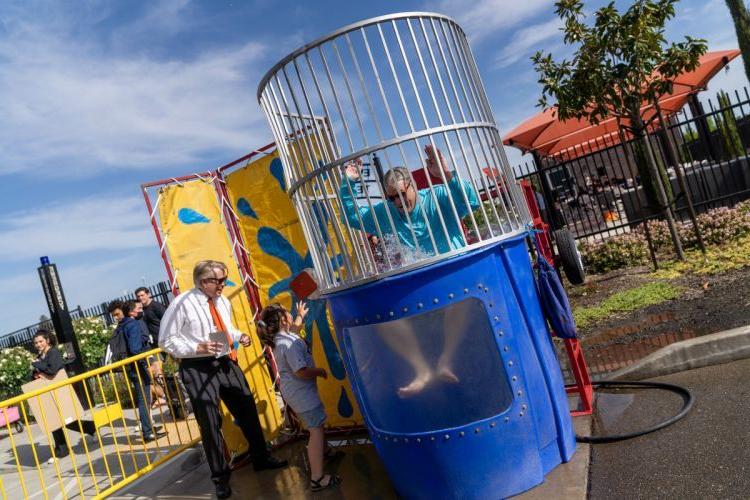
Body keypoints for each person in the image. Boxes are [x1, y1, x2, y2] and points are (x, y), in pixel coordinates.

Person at [159, 260, 288, 499]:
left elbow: (225, 328)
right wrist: (197, 346)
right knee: (210, 423)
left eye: (224, 280)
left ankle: (261, 457)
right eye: (218, 280)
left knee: (247, 408)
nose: (223, 285)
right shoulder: (181, 304)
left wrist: (240, 336)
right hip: (197, 368)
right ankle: (220, 478)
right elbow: (166, 340)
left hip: (225, 361)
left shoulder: (223, 301)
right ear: (202, 281)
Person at [257, 302, 342, 492]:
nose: (291, 314)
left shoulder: (282, 337)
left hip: (295, 392)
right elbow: (301, 372)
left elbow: (294, 330)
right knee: (316, 430)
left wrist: (300, 316)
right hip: (301, 393)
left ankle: (325, 451)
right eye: (289, 313)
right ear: (282, 320)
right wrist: (319, 371)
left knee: (315, 424)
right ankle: (317, 478)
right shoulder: (288, 343)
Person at [340, 144, 480, 255]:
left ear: (413, 186)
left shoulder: (437, 196)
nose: (397, 202)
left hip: (457, 268)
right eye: (392, 197)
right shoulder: (386, 212)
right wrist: (348, 183)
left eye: (401, 194)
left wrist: (446, 174)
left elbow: (471, 202)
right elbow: (352, 217)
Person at [30, 330, 96, 462]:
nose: (38, 344)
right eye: (36, 342)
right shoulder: (39, 356)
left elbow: (52, 370)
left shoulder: (53, 352)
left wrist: (36, 364)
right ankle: (61, 450)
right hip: (46, 392)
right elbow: (37, 374)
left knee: (68, 421)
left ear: (47, 340)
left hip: (59, 390)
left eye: (41, 341)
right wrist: (37, 373)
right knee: (53, 422)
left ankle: (91, 428)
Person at [108, 301, 166, 443]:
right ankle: (147, 432)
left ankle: (148, 427)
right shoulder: (131, 324)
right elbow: (135, 349)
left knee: (144, 398)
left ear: (122, 310)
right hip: (137, 366)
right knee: (144, 399)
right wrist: (147, 361)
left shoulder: (121, 327)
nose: (116, 317)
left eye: (117, 314)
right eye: (114, 315)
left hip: (130, 367)